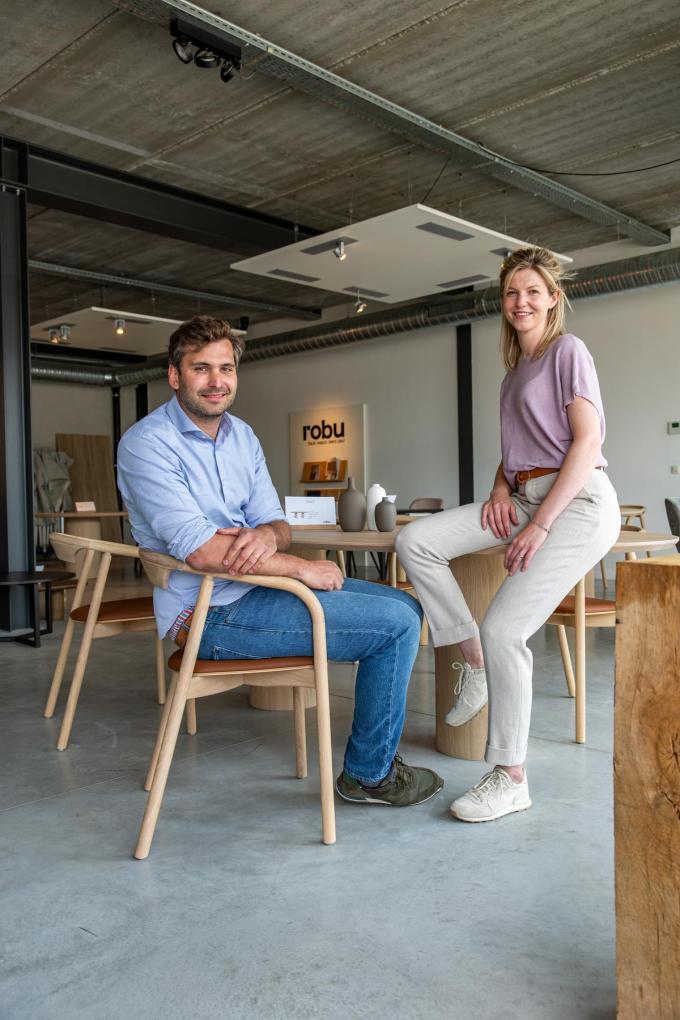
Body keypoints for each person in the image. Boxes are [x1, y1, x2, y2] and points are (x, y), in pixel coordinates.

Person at [117, 315, 443, 808]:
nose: (215, 381)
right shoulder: (146, 445)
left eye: (225, 369)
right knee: (396, 624)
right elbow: (204, 551)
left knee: (406, 608)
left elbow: (278, 522)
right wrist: (299, 568)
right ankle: (369, 776)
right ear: (174, 375)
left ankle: (373, 765)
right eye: (200, 368)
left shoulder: (242, 436)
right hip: (209, 613)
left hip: (258, 589)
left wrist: (265, 535)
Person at [396, 246, 619, 822]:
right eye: (512, 293)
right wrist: (499, 490)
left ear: (553, 299)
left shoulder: (568, 351)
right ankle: (470, 661)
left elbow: (586, 445)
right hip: (520, 496)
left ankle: (510, 776)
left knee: (505, 628)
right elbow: (517, 454)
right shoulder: (513, 373)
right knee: (414, 542)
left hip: (578, 503)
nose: (521, 301)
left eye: (533, 292)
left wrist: (540, 524)